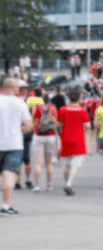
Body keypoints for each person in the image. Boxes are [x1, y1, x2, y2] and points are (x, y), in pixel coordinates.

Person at [0, 77, 33, 214]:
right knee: (9, 173)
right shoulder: (20, 103)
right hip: (14, 144)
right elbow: (29, 125)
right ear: (15, 89)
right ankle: (5, 206)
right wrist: (20, 130)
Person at [56, 87, 92, 195]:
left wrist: (61, 134)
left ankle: (67, 183)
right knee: (75, 164)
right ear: (79, 98)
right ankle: (69, 184)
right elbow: (87, 126)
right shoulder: (82, 110)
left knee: (66, 164)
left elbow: (59, 125)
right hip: (78, 138)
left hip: (66, 138)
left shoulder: (63, 109)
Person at [30, 93, 59, 191]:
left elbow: (33, 121)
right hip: (50, 137)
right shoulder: (53, 108)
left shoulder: (37, 108)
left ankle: (37, 185)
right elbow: (56, 123)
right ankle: (49, 185)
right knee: (49, 163)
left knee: (37, 163)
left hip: (38, 136)